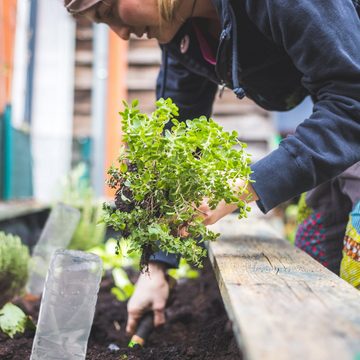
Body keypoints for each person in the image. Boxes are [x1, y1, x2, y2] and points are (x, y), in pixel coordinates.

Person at [64, 0, 360, 334]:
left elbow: (351, 102)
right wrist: (156, 267)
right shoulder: (182, 31)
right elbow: (177, 137)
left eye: (110, 12)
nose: (120, 33)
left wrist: (239, 187)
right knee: (315, 269)